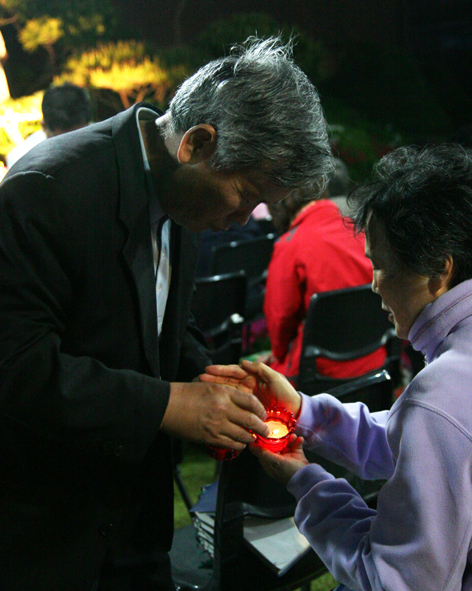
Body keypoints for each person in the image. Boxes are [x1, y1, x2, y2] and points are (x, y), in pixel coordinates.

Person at [0, 36, 333, 591]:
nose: (244, 218)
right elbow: (15, 365)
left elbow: (159, 319)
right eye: (245, 193)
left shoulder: (182, 192)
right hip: (48, 525)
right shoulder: (50, 189)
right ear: (197, 143)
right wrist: (169, 404)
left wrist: (207, 377)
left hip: (136, 516)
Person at [201, 143, 472, 590]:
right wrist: (303, 411)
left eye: (380, 266)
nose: (373, 284)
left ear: (438, 271)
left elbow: (394, 582)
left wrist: (307, 484)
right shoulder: (443, 392)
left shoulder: (439, 397)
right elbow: (417, 440)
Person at [262, 182, 385, 385]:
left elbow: (279, 320)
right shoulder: (361, 232)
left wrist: (278, 355)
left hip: (318, 372)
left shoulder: (290, 245)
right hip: (376, 359)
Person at [6, 82, 93, 168]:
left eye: (79, 139)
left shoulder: (22, 160)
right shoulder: (21, 160)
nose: (72, 149)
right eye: (63, 143)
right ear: (44, 127)